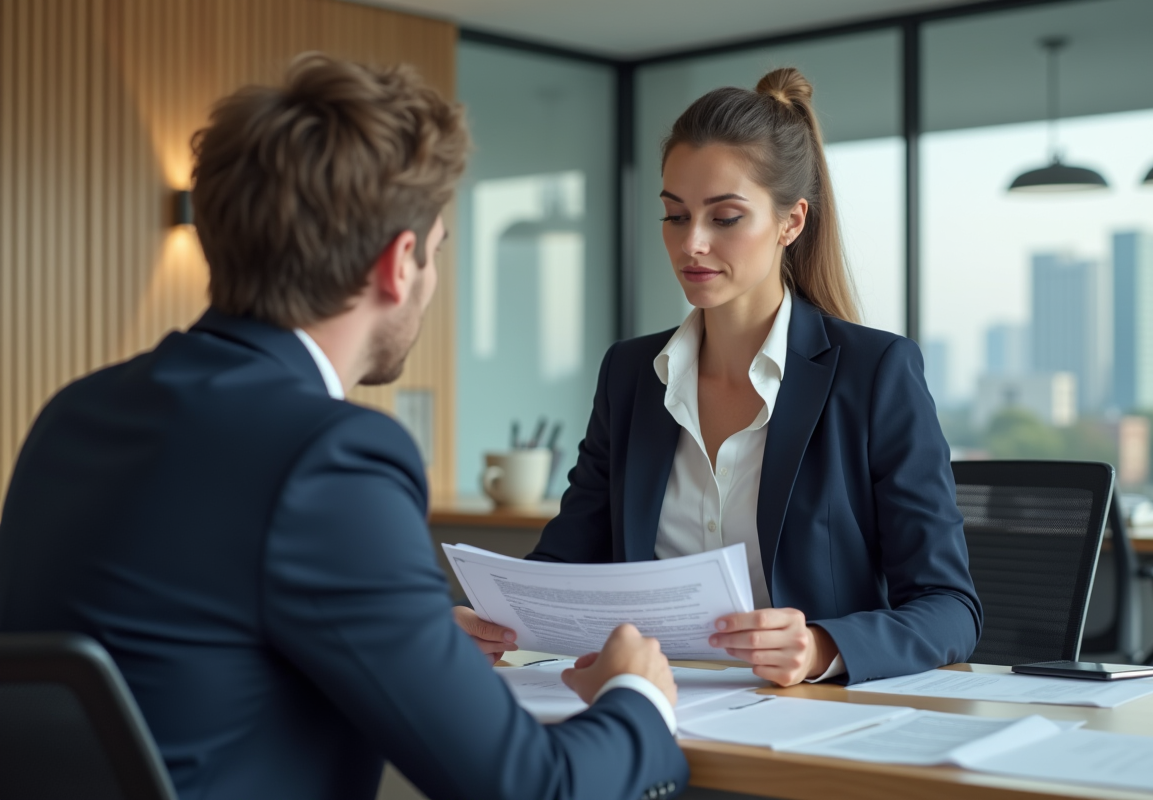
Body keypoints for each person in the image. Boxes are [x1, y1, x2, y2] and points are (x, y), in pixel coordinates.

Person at [0, 54, 687, 800]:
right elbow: (528, 787)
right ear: (399, 264)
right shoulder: (327, 456)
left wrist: (409, 640)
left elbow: (190, 655)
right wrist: (637, 698)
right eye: (438, 251)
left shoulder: (76, 412)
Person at [461, 68, 982, 688]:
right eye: (675, 216)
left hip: (807, 720)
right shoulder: (630, 375)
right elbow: (567, 560)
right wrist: (496, 621)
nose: (693, 244)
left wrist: (820, 647)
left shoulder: (875, 372)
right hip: (648, 706)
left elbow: (951, 609)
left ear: (791, 223)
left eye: (725, 217)